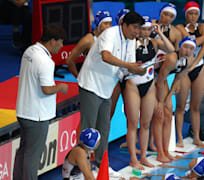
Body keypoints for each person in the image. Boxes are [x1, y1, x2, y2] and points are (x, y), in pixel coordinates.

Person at [77, 11, 145, 170]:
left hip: (107, 88)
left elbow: (128, 67)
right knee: (88, 128)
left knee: (104, 128)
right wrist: (129, 67)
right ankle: (81, 166)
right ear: (125, 25)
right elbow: (106, 57)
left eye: (139, 28)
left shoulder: (130, 41)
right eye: (135, 28)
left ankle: (102, 164)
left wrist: (139, 70)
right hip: (91, 85)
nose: (137, 32)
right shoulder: (109, 34)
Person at [13, 24, 68, 180]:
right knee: (32, 156)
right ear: (52, 41)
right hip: (37, 116)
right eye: (60, 42)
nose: (62, 46)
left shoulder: (29, 51)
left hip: (23, 111)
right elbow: (46, 89)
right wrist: (60, 87)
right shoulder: (45, 61)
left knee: (23, 151)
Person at [121, 16, 175, 169]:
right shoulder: (130, 43)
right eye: (143, 29)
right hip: (132, 84)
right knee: (133, 124)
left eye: (148, 29)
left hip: (148, 84)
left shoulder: (155, 42)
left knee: (145, 124)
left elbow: (171, 50)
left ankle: (143, 156)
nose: (145, 32)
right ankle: (133, 159)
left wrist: (160, 33)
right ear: (138, 30)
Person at [175, 1, 204, 147]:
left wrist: (195, 62)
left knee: (195, 106)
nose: (193, 16)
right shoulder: (180, 28)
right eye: (190, 13)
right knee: (180, 106)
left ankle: (196, 137)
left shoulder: (202, 26)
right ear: (186, 14)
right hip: (184, 68)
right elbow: (192, 42)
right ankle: (179, 138)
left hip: (197, 67)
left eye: (195, 13)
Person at [153, 36, 197, 163]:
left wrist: (169, 97)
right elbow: (160, 80)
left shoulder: (189, 60)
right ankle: (160, 153)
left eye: (191, 48)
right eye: (185, 47)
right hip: (151, 77)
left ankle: (166, 151)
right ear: (180, 47)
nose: (188, 51)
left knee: (168, 115)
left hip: (162, 80)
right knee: (159, 115)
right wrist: (161, 102)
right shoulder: (172, 58)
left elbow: (178, 78)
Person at [66, 10, 112, 78]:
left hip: (105, 78)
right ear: (98, 24)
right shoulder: (88, 40)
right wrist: (78, 77)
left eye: (110, 24)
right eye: (105, 24)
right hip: (91, 80)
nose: (109, 27)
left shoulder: (110, 37)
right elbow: (69, 60)